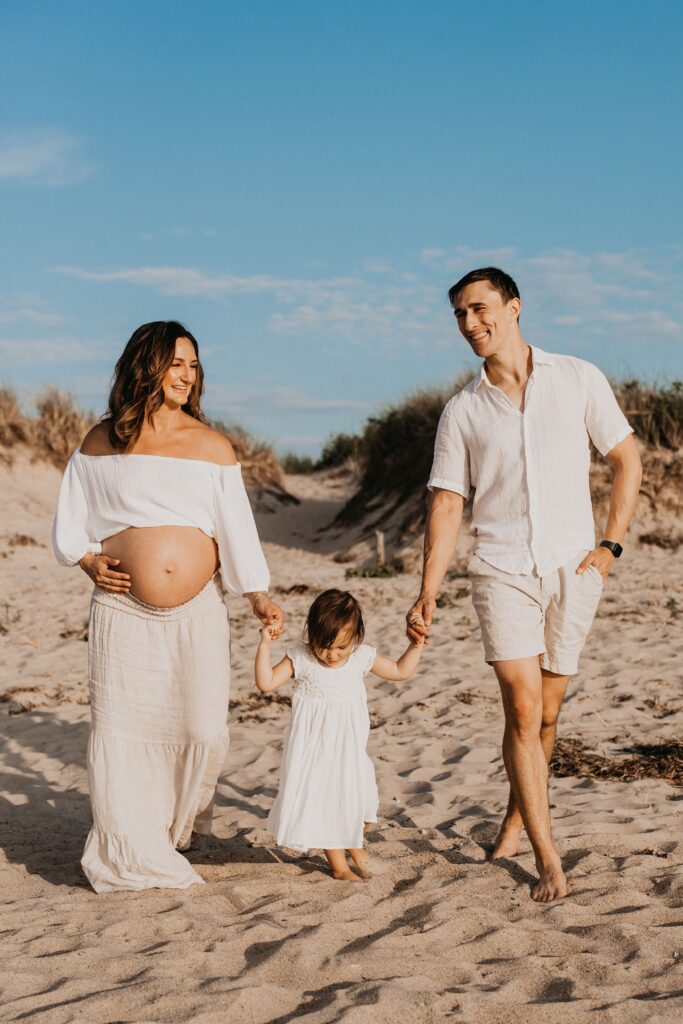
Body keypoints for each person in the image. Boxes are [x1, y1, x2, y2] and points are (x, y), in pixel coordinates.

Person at [406, 268, 642, 903]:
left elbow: (627, 457)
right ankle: (547, 857)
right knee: (521, 706)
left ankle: (517, 812)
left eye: (479, 309)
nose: (469, 324)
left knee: (550, 711)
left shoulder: (578, 377)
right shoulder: (462, 409)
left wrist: (610, 545)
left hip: (575, 567)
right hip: (501, 568)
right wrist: (429, 588)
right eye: (458, 315)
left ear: (513, 308)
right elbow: (448, 503)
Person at [52, 320, 284, 893]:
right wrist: (85, 560)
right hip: (122, 610)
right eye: (177, 363)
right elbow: (70, 521)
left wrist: (257, 593)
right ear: (146, 366)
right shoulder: (100, 442)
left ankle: (177, 826)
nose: (187, 375)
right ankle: (131, 846)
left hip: (197, 612)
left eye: (194, 365)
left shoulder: (212, 445)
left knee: (204, 731)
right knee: (122, 733)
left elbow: (236, 531)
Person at [255, 589, 424, 881]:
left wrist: (416, 645)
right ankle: (339, 866)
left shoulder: (360, 657)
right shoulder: (302, 659)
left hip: (350, 750)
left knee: (358, 801)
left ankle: (355, 848)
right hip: (316, 752)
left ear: (355, 639)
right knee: (329, 803)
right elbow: (266, 683)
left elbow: (399, 671)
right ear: (312, 635)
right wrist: (264, 644)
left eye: (341, 648)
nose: (332, 655)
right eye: (325, 646)